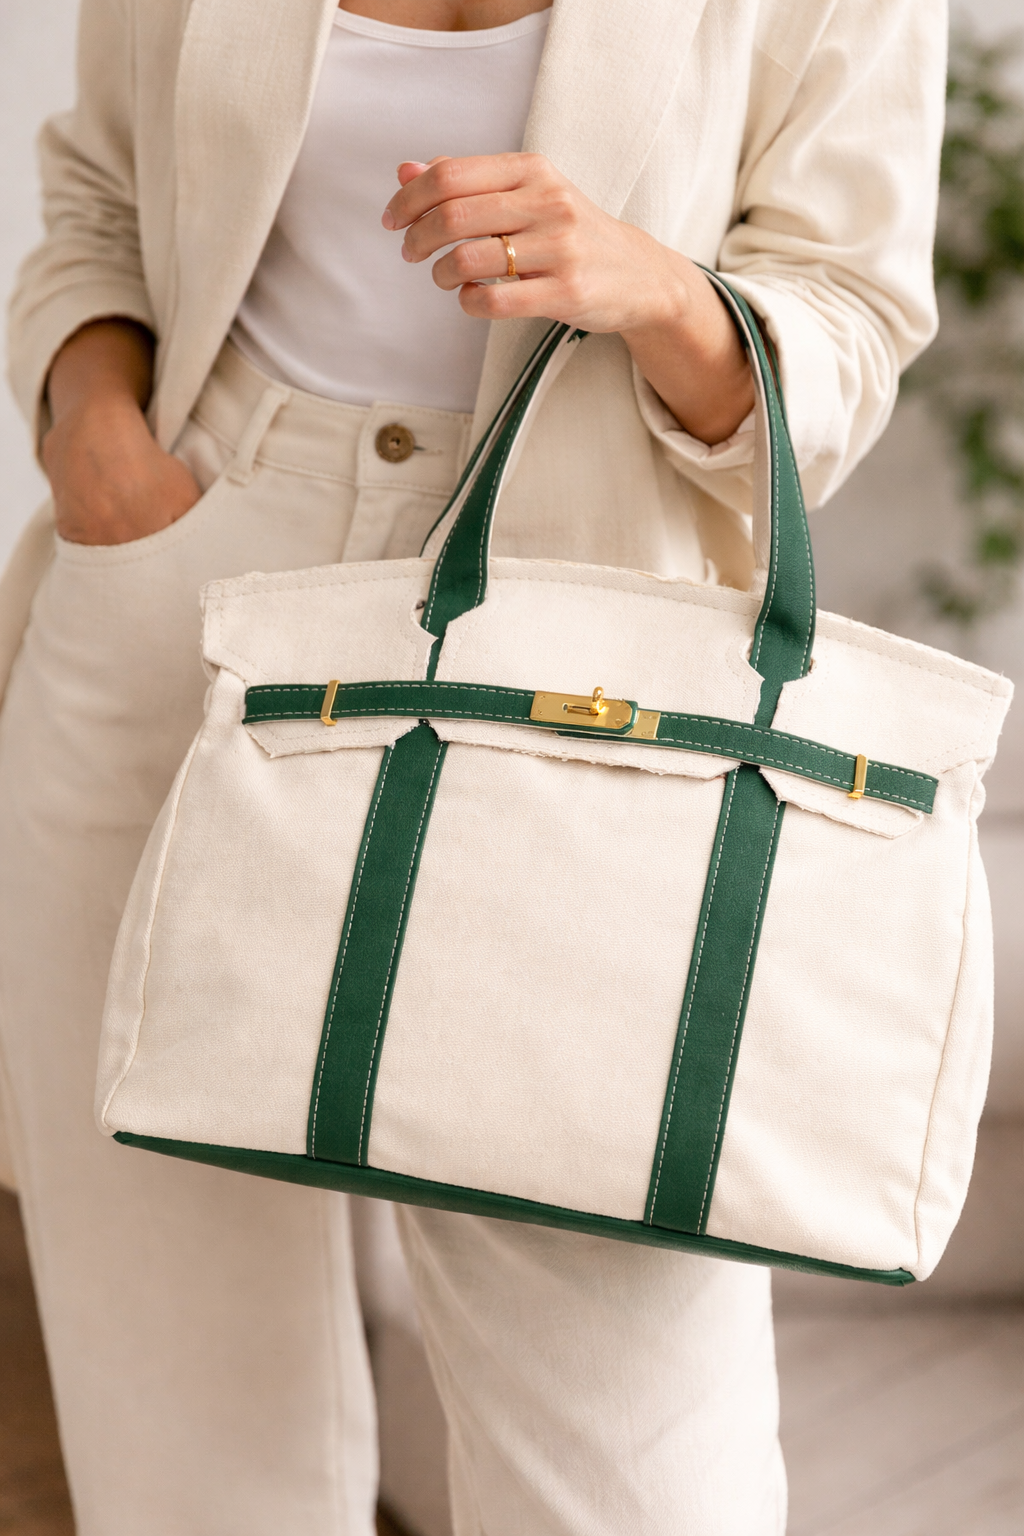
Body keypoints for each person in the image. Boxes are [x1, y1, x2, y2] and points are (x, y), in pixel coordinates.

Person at [0, 1, 945, 1532]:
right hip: (180, 608)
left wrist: (666, 297)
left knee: (638, 1465)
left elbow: (851, 312)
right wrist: (88, 426)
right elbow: (101, 197)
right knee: (178, 1431)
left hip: (583, 666)